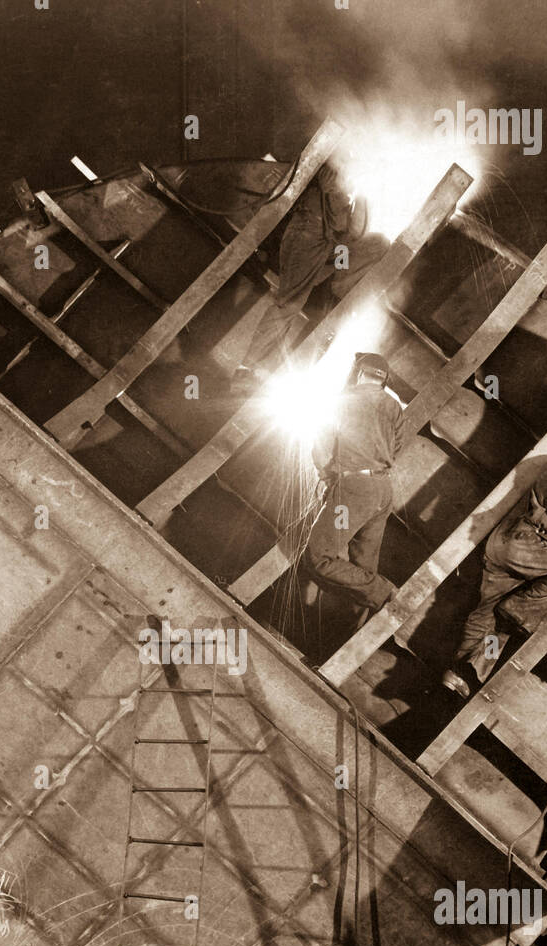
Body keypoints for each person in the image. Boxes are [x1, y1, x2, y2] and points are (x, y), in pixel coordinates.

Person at [442, 433, 547, 698]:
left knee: (488, 613)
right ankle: (517, 609)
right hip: (523, 539)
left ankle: (461, 671)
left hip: (507, 542)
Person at [233, 164, 388, 388]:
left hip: (327, 244)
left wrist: (362, 195)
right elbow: (343, 222)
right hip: (307, 236)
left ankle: (337, 291)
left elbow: (356, 230)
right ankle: (246, 370)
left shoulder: (359, 171)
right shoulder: (336, 164)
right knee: (288, 305)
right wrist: (356, 196)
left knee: (379, 244)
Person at [301, 353, 403, 626]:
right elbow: (396, 447)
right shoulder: (393, 406)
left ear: (359, 373)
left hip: (355, 488)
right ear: (383, 380)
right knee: (363, 571)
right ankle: (351, 630)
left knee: (318, 558)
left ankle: (385, 592)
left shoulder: (344, 400)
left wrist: (328, 477)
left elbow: (322, 446)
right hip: (382, 490)